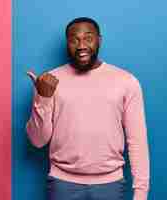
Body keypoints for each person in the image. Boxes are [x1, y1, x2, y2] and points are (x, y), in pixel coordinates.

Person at [26, 17, 149, 200]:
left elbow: (137, 141)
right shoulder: (49, 81)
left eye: (88, 38)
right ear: (67, 43)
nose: (81, 45)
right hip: (62, 185)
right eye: (74, 39)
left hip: (110, 185)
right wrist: (43, 99)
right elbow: (37, 140)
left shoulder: (126, 81)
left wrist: (141, 193)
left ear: (99, 40)